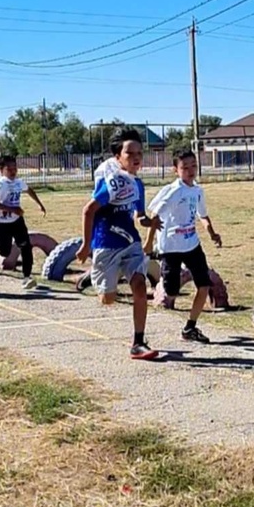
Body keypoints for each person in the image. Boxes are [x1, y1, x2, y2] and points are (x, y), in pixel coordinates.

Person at [78, 129, 159, 360]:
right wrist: (86, 245)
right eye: (129, 153)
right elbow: (88, 210)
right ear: (117, 157)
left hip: (130, 242)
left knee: (140, 287)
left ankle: (138, 342)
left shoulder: (138, 185)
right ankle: (91, 274)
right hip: (106, 243)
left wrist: (150, 222)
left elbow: (139, 216)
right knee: (108, 299)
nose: (136, 157)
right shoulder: (112, 182)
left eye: (139, 153)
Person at [146, 149, 222, 343]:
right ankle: (160, 274)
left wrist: (212, 233)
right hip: (170, 247)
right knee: (171, 291)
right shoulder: (173, 191)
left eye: (193, 166)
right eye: (185, 167)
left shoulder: (197, 191)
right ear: (175, 170)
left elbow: (202, 214)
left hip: (192, 245)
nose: (190, 171)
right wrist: (148, 243)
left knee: (204, 285)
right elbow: (154, 216)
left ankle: (190, 327)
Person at [0, 155, 46, 290]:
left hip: (17, 221)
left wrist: (39, 204)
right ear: (1, 170)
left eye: (15, 168)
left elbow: (29, 190)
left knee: (25, 246)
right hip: (1, 223)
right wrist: (12, 209)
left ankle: (27, 277)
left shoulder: (18, 182)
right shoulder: (0, 184)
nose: (13, 172)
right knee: (4, 252)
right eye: (9, 169)